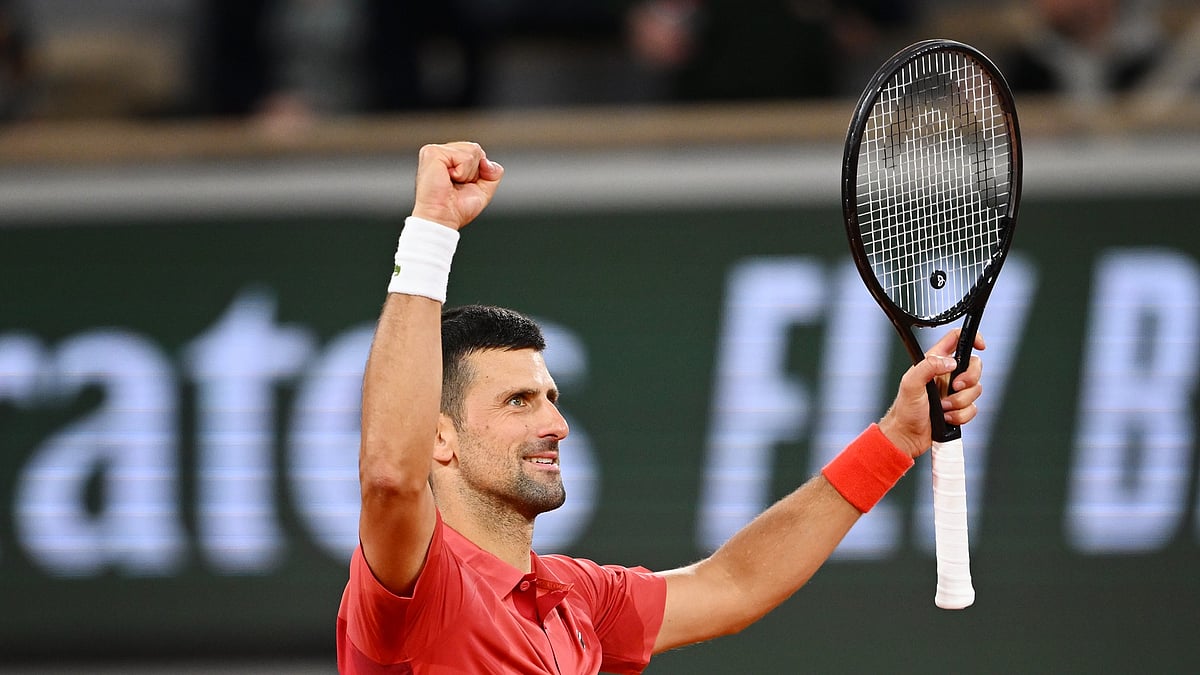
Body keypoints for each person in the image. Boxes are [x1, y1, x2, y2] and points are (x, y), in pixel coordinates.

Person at [336, 141, 986, 673]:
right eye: (518, 400)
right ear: (439, 437)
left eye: (551, 398)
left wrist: (897, 435)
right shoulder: (417, 586)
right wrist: (430, 234)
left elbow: (733, 584)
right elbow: (391, 476)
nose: (555, 423)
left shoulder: (576, 600)